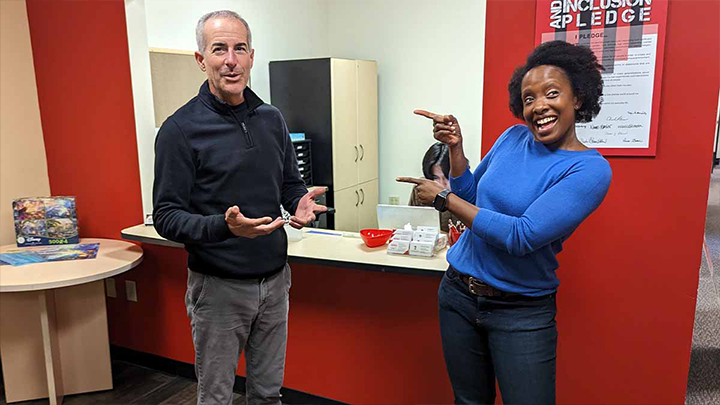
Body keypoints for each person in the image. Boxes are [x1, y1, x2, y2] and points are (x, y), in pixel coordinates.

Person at [397, 40, 612, 404]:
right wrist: (456, 148)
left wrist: (443, 198)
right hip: (457, 295)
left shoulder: (589, 169)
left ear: (577, 98)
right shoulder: (513, 138)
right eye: (528, 99)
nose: (539, 106)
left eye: (552, 93)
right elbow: (472, 194)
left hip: (521, 311)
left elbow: (521, 235)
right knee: (469, 402)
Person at [152, 10, 326, 405]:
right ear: (201, 59)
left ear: (250, 56)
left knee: (267, 394)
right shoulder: (179, 130)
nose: (231, 60)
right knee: (216, 397)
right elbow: (165, 216)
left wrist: (297, 203)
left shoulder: (271, 118)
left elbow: (288, 184)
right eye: (219, 50)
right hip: (218, 289)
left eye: (239, 48)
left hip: (275, 281)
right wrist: (224, 227)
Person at [408, 142, 461, 233]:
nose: (441, 184)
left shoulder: (468, 190)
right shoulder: (422, 189)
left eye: (448, 177)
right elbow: (412, 224)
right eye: (436, 178)